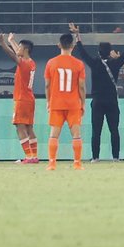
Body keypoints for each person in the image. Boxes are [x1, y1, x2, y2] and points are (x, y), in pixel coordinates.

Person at [68, 23, 124, 162]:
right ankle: (116, 157)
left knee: (96, 131)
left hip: (97, 101)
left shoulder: (94, 63)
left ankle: (95, 157)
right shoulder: (115, 63)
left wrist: (77, 35)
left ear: (98, 52)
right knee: (114, 130)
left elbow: (82, 52)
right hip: (112, 101)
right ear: (109, 52)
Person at [44, 32, 86, 171]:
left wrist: (48, 101)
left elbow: (47, 85)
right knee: (76, 134)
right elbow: (81, 86)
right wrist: (83, 103)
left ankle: (51, 163)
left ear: (59, 45)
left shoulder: (51, 62)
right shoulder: (79, 64)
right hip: (73, 104)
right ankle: (77, 163)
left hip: (56, 102)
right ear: (73, 46)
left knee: (54, 134)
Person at [0, 33, 37, 163]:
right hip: (30, 99)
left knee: (20, 127)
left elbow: (13, 55)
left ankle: (29, 157)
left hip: (22, 99)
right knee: (29, 128)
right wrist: (12, 40)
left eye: (19, 47)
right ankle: (34, 156)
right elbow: (17, 52)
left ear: (25, 50)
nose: (17, 49)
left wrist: (3, 43)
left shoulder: (23, 63)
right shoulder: (31, 62)